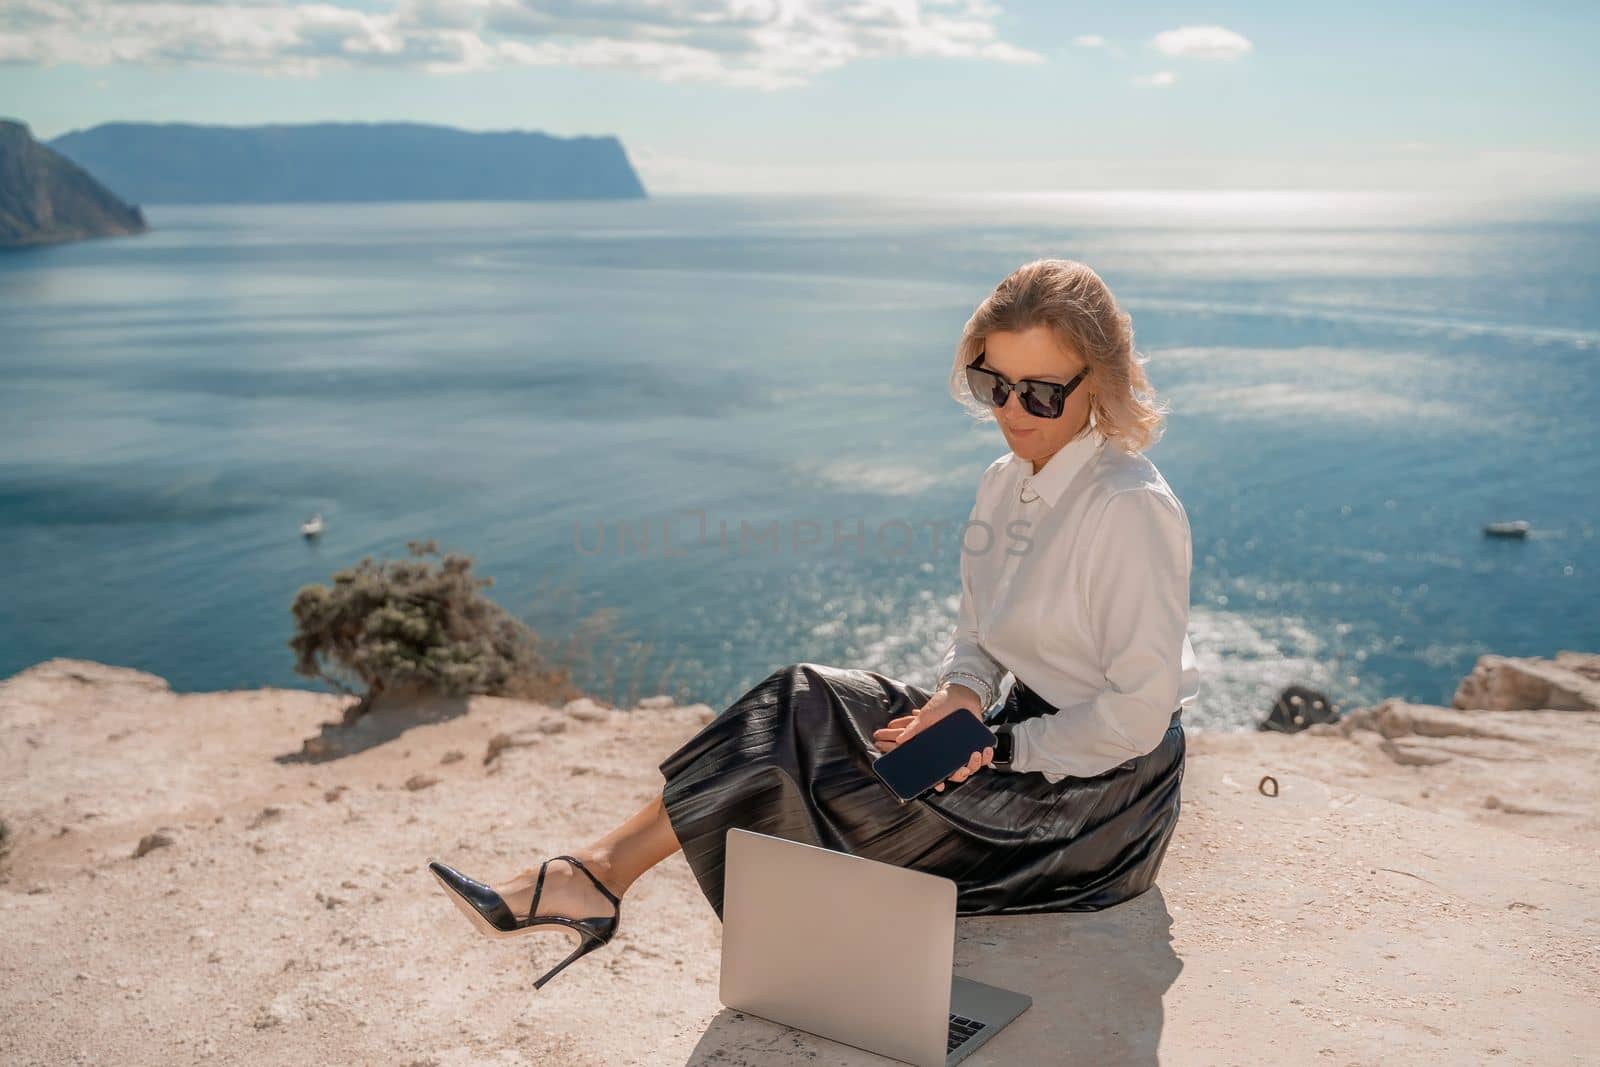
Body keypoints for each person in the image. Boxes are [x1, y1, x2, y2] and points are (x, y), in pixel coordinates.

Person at [428, 258, 1201, 991]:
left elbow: (1136, 717)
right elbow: (979, 635)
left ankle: (590, 878)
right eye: (992, 384)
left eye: (1039, 394)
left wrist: (998, 744)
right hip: (1012, 737)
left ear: (1096, 381)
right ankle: (594, 874)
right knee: (807, 705)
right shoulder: (1004, 483)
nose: (1009, 412)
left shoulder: (1129, 507)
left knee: (812, 726)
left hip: (1098, 803)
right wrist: (962, 700)